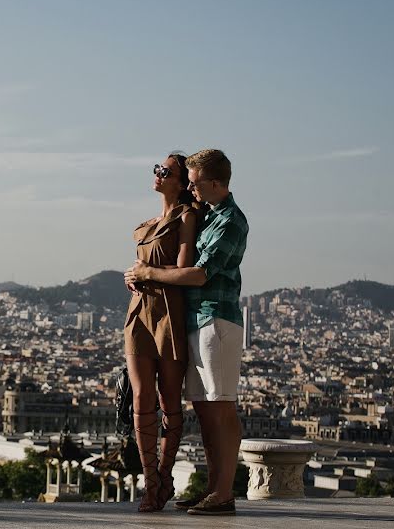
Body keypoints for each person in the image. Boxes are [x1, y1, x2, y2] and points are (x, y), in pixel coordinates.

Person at [125, 148, 248, 516]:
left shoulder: (230, 220)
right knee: (206, 410)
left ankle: (223, 493)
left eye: (194, 183)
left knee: (221, 410)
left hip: (217, 320)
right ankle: (214, 490)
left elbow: (198, 273)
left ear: (213, 182)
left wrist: (146, 272)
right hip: (196, 321)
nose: (190, 190)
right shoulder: (208, 214)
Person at [122, 152, 198, 512]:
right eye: (157, 168)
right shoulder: (143, 226)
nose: (157, 173)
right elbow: (141, 268)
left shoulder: (187, 218)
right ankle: (150, 482)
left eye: (165, 170)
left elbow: (183, 268)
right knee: (141, 398)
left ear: (181, 182)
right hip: (139, 314)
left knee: (169, 400)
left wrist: (143, 272)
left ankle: (164, 475)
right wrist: (131, 275)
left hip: (169, 313)